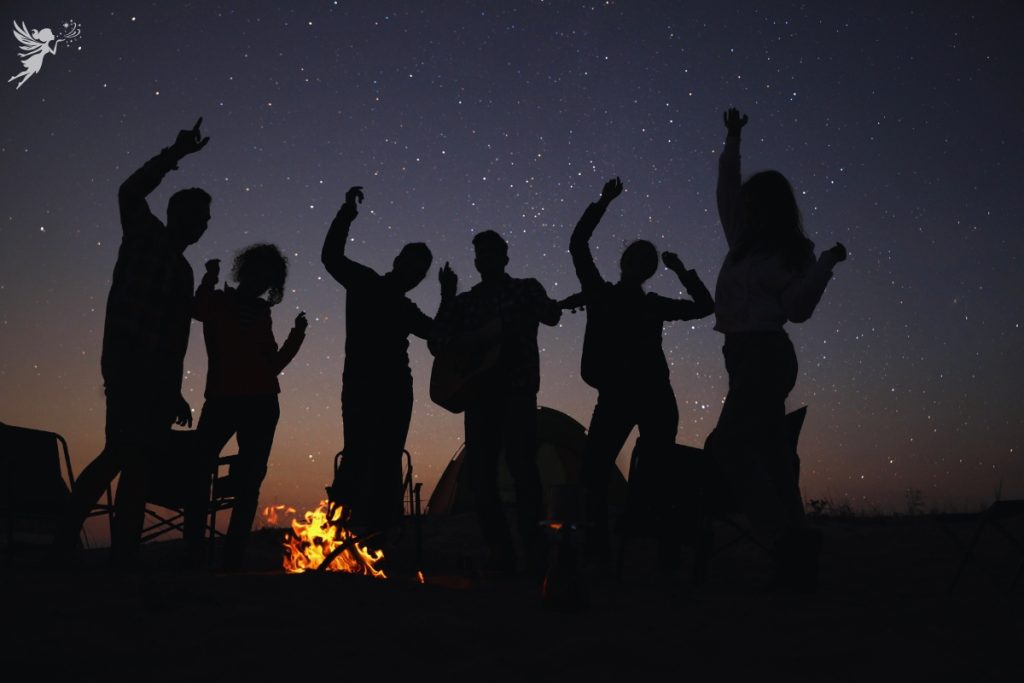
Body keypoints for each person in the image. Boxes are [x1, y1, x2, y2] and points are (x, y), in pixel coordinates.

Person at [53, 118, 211, 567]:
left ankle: (122, 554)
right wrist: (175, 154)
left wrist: (174, 390)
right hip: (127, 366)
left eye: (206, 219)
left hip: (157, 380)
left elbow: (176, 337)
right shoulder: (145, 235)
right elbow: (130, 191)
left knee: (138, 466)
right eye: (198, 216)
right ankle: (64, 542)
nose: (203, 225)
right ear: (178, 214)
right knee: (119, 454)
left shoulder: (184, 272)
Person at [707, 107, 847, 592]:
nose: (744, 209)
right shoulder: (741, 243)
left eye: (753, 204)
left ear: (770, 205)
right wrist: (732, 139)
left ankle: (784, 541)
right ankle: (799, 547)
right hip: (739, 356)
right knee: (772, 455)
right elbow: (725, 188)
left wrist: (824, 264)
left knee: (727, 447)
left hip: (766, 355)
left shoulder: (791, 251)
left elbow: (798, 308)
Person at [568, 177, 715, 568]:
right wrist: (602, 202)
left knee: (655, 478)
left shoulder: (651, 303)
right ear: (624, 263)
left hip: (653, 398)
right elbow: (578, 245)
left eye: (646, 263)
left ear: (649, 270)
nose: (639, 266)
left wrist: (683, 269)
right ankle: (599, 552)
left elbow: (705, 306)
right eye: (636, 259)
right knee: (595, 475)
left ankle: (658, 553)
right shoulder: (602, 293)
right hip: (620, 396)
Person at [321, 186, 451, 546]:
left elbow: (436, 338)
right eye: (413, 264)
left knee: (388, 457)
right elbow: (331, 256)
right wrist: (346, 213)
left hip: (394, 388)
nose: (417, 273)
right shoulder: (364, 282)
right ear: (398, 261)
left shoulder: (406, 308)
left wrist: (447, 298)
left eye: (422, 270)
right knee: (359, 452)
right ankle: (345, 528)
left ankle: (381, 531)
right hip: (363, 384)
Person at [429, 230, 562, 579]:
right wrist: (447, 296)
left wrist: (544, 308)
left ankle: (534, 554)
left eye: (492, 252)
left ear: (504, 257)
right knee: (483, 479)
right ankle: (501, 554)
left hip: (516, 393)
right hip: (478, 396)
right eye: (480, 253)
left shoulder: (525, 289)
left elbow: (551, 315)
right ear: (476, 261)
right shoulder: (465, 302)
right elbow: (437, 342)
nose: (486, 258)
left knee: (523, 472)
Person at [188, 244, 307, 571]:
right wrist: (209, 278)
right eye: (256, 273)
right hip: (223, 398)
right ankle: (194, 552)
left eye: (267, 278)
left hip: (261, 401)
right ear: (244, 271)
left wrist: (296, 337)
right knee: (200, 472)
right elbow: (196, 309)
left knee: (248, 481)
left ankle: (232, 559)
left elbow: (271, 365)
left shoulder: (261, 312)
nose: (260, 281)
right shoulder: (219, 301)